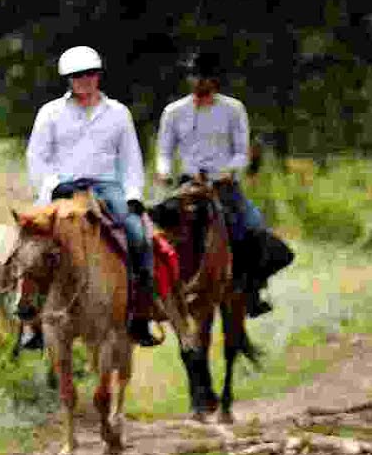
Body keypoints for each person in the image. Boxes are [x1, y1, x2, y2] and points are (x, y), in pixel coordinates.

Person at [21, 45, 159, 349]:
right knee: (28, 241)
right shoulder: (51, 112)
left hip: (107, 187)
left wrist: (133, 194)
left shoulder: (118, 113)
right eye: (77, 75)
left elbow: (131, 160)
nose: (84, 79)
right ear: (68, 79)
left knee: (138, 236)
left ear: (98, 75)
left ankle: (141, 314)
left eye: (89, 74)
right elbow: (37, 157)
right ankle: (30, 322)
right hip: (63, 190)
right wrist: (53, 185)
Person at [155, 50, 275, 317]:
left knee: (252, 227)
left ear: (214, 79)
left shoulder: (233, 109)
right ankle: (154, 295)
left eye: (203, 76)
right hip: (186, 184)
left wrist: (226, 172)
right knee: (153, 229)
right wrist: (163, 172)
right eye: (193, 75)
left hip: (222, 184)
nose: (197, 81)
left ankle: (253, 290)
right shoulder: (173, 112)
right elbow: (164, 151)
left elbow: (241, 152)